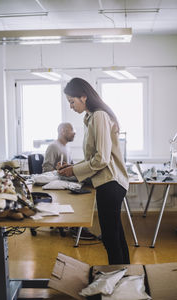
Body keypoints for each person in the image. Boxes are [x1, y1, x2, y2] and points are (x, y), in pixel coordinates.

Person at [58, 77, 130, 265]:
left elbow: (102, 159)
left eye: (72, 102)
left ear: (83, 97)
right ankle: (125, 275)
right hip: (108, 182)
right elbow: (93, 157)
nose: (71, 106)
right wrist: (71, 168)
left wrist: (74, 170)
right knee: (116, 235)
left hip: (111, 183)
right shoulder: (90, 117)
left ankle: (118, 280)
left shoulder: (99, 115)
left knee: (110, 237)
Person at [42, 122, 96, 240]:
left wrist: (68, 166)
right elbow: (46, 169)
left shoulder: (66, 147)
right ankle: (77, 227)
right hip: (57, 181)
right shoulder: (53, 146)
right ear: (63, 131)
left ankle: (78, 226)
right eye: (72, 130)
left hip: (66, 180)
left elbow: (70, 169)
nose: (74, 133)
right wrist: (58, 169)